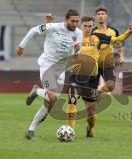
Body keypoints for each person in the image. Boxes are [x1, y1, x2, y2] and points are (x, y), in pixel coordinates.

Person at [16, 9, 83, 139]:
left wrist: (77, 52)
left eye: (77, 21)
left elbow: (76, 54)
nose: (75, 24)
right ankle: (36, 91)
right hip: (47, 66)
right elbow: (33, 30)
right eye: (72, 21)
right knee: (53, 97)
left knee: (49, 104)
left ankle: (30, 131)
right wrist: (21, 45)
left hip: (60, 70)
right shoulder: (53, 27)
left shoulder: (78, 33)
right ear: (66, 19)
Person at [92, 6, 125, 93]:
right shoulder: (92, 32)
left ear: (106, 16)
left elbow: (119, 45)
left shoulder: (113, 31)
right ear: (95, 17)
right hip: (94, 64)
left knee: (110, 86)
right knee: (91, 90)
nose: (100, 16)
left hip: (108, 64)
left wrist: (121, 57)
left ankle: (98, 92)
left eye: (103, 14)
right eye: (98, 14)